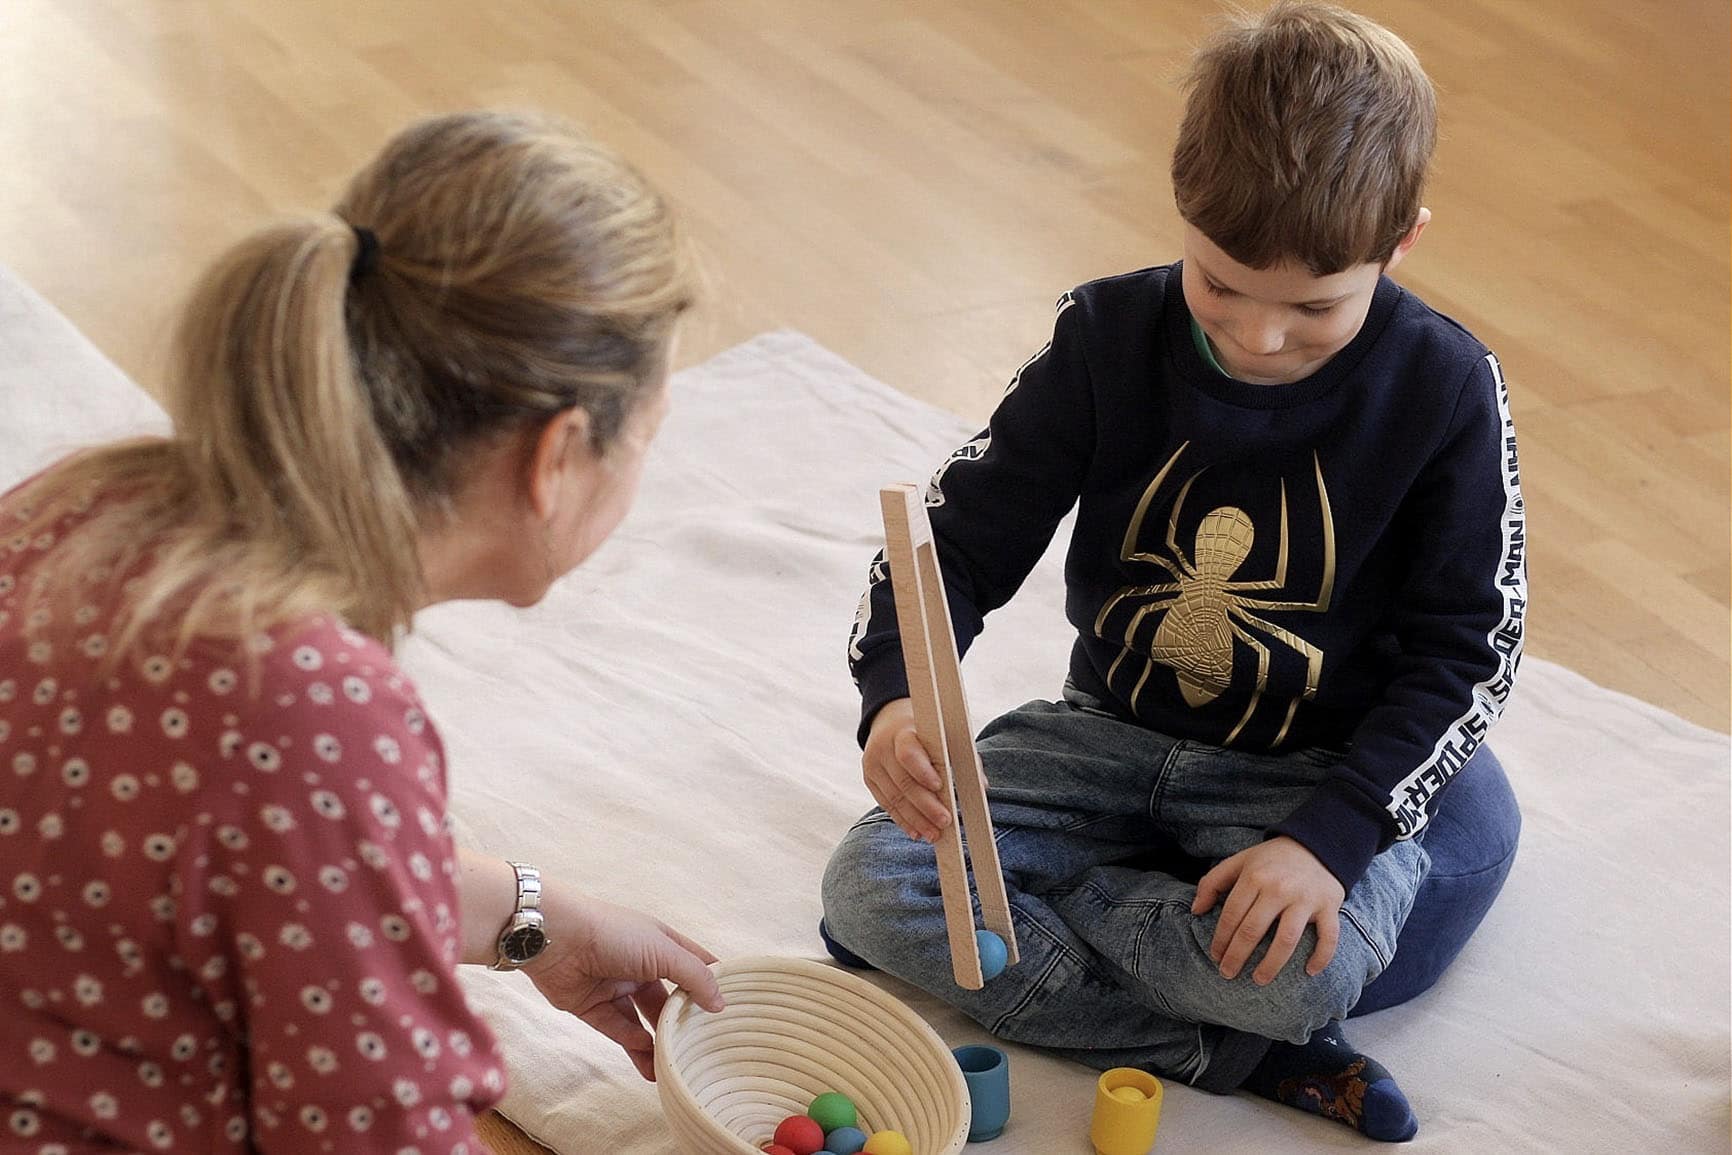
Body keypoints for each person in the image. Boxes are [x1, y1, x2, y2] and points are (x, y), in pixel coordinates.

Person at [821, 2, 1525, 1143]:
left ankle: (1078, 911)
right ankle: (1212, 1045)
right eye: (1220, 284)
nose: (1256, 338)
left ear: (1401, 244)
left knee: (1316, 968)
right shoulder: (1103, 335)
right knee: (866, 892)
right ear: (1182, 213)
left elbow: (1469, 650)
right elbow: (952, 542)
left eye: (1314, 306)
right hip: (1107, 730)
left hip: (1308, 767)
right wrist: (896, 695)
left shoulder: (1444, 386)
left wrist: (1326, 840)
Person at [0, 110, 725, 1152]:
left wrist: (540, 923)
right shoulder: (308, 709)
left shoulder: (84, 504)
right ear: (558, 457)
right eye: (648, 435)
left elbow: (256, 867)